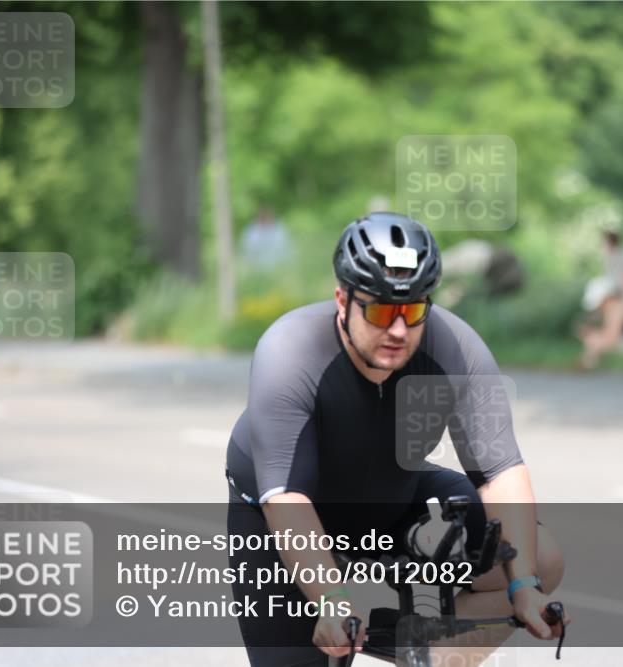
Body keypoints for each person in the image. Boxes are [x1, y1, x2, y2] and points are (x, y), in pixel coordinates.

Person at [225, 212, 566, 666]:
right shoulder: (289, 351)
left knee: (540, 560)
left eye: (414, 310)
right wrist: (330, 600)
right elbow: (287, 499)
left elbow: (502, 474)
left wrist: (523, 586)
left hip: (392, 494)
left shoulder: (454, 347)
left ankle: (419, 644)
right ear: (342, 300)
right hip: (284, 517)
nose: (399, 329)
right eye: (383, 310)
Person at [577, 231, 623, 369]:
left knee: (606, 335)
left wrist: (594, 340)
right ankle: (588, 361)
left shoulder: (621, 258)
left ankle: (588, 361)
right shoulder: (613, 258)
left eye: (603, 243)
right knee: (599, 333)